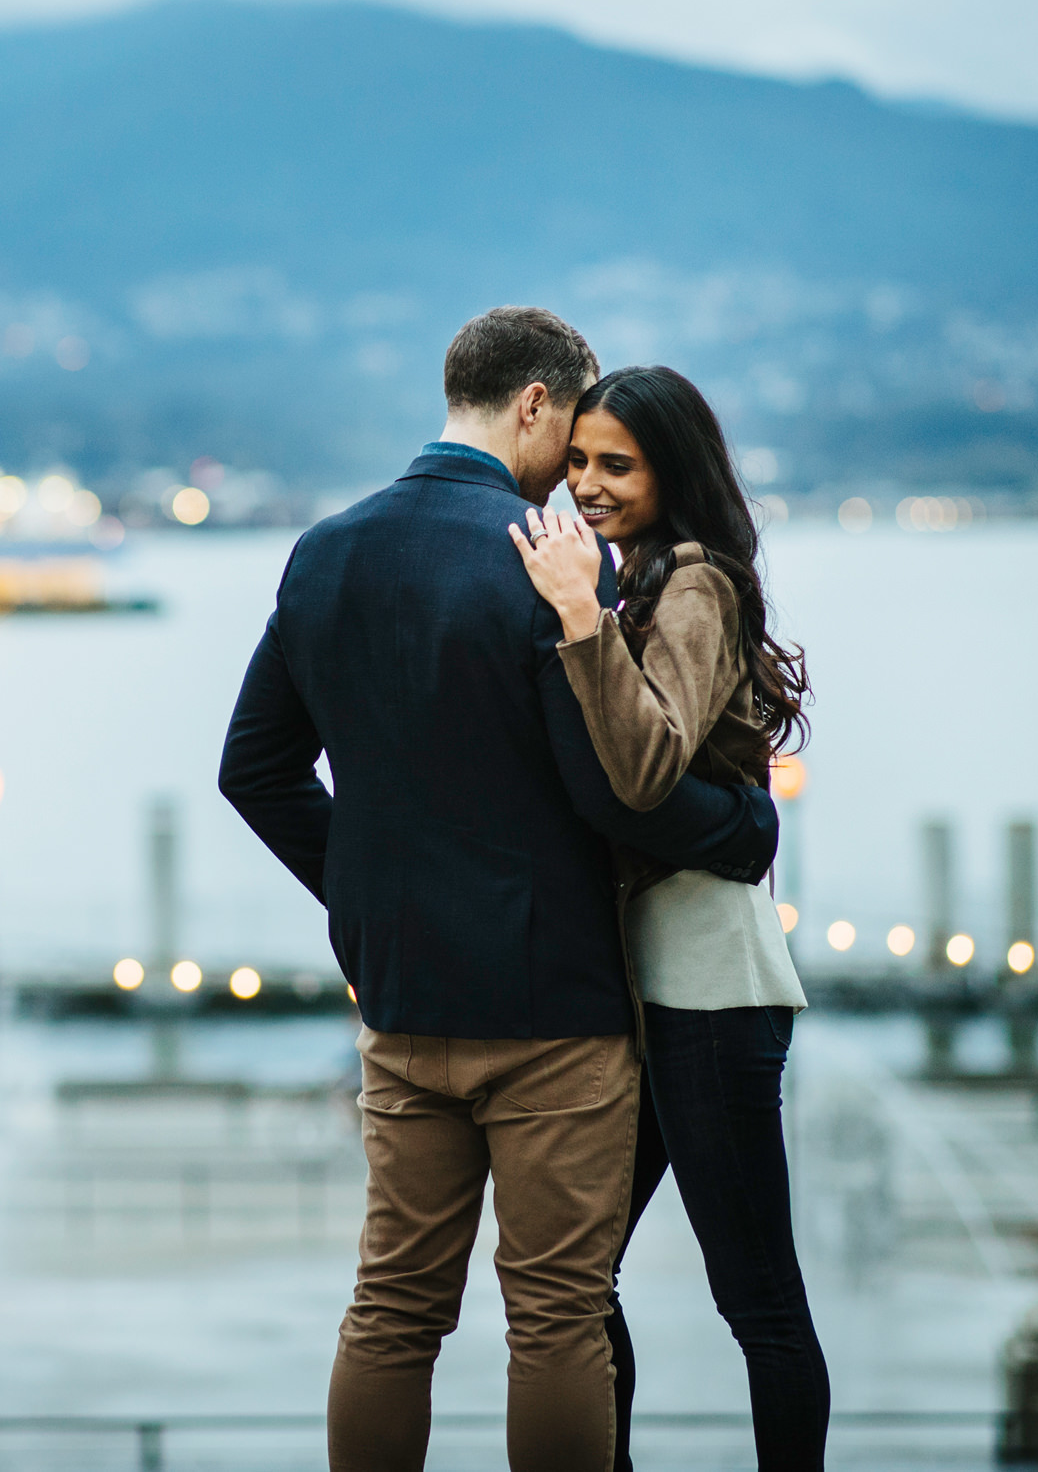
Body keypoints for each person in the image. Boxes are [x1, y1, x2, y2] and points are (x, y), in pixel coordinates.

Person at [219, 309, 779, 1472]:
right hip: (553, 1004)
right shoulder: (545, 557)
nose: (572, 473)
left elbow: (254, 768)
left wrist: (366, 893)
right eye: (568, 435)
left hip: (401, 998)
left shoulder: (323, 551)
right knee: (556, 1313)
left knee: (393, 1304)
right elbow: (617, 791)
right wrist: (741, 824)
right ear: (533, 404)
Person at [509, 364, 827, 1472]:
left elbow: (643, 767)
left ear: (672, 471)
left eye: (618, 464)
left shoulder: (693, 583)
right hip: (642, 992)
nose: (588, 484)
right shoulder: (632, 576)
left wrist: (577, 615)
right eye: (578, 461)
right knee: (580, 1279)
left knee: (757, 1297)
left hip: (709, 988)